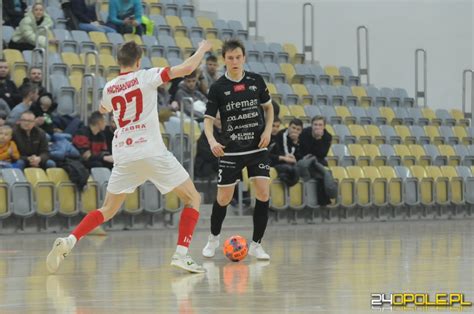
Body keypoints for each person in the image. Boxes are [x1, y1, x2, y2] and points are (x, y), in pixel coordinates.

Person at [46, 39, 213, 274]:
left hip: (124, 154)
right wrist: (202, 50)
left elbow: (103, 109)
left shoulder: (110, 87)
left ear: (118, 61)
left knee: (107, 209)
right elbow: (185, 69)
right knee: (193, 198)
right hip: (151, 150)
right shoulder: (146, 76)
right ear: (138, 61)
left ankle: (70, 240)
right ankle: (181, 254)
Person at [201, 39, 274, 260]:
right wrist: (213, 141)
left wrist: (268, 131)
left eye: (238, 57)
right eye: (230, 57)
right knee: (223, 198)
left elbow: (269, 108)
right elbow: (207, 119)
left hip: (257, 149)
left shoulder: (256, 81)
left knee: (263, 192)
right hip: (230, 151)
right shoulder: (218, 88)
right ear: (224, 59)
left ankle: (256, 245)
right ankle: (213, 239)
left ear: (244, 58)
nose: (234, 61)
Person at [296, 115, 335, 206]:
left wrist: (318, 139)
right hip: (304, 159)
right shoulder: (304, 133)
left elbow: (322, 153)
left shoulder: (327, 136)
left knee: (324, 172)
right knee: (320, 174)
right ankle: (324, 200)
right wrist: (315, 141)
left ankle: (328, 197)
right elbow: (304, 151)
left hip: (318, 160)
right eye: (315, 124)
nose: (317, 127)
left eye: (320, 125)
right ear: (312, 125)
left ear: (324, 126)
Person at [269, 118, 303, 187]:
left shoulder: (301, 138)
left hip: (290, 163)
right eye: (293, 128)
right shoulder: (280, 135)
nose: (295, 131)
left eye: (298, 129)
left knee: (300, 169)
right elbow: (273, 154)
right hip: (277, 162)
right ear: (289, 127)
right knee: (290, 170)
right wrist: (284, 158)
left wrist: (295, 143)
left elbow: (300, 156)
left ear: (301, 131)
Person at [194, 113, 221, 180]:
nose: (221, 122)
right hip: (205, 166)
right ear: (213, 120)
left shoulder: (222, 132)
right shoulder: (207, 133)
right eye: (219, 119)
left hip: (216, 163)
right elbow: (206, 154)